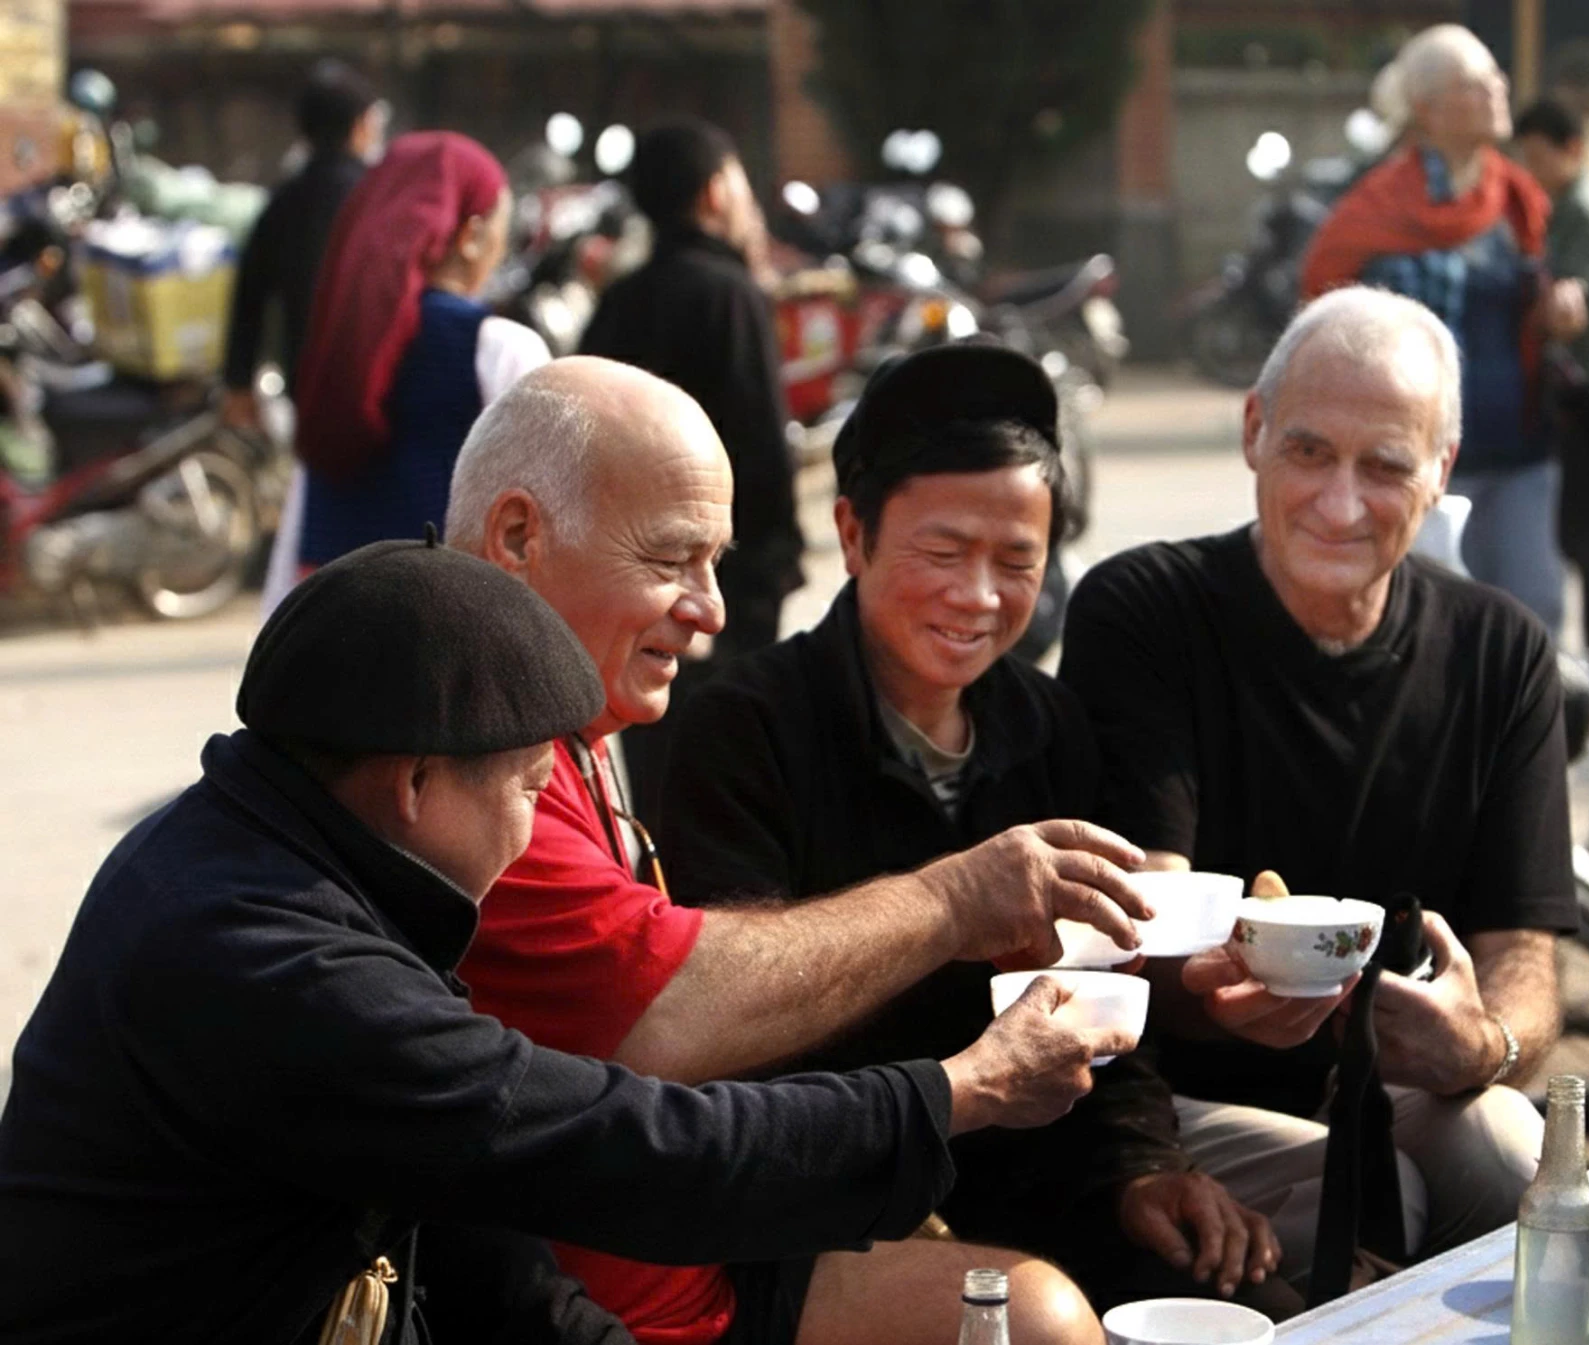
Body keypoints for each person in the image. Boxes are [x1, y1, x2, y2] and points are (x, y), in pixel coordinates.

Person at [0, 536, 1125, 1342]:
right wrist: (962, 1088)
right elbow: (620, 1144)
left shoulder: (288, 852)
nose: (541, 824)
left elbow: (462, 1195)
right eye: (533, 786)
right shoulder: (270, 957)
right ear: (416, 782)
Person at [446, 356, 1157, 1345]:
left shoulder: (580, 710)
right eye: (669, 560)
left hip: (736, 1224)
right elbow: (671, 1010)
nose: (711, 610)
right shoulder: (467, 758)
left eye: (715, 563)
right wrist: (954, 914)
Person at [655, 342, 1297, 1319]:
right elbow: (730, 1035)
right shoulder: (740, 730)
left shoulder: (1051, 728)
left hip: (1044, 1176)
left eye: (1017, 563)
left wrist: (1144, 1168)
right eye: (942, 554)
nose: (980, 597)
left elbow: (1105, 989)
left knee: (1260, 1296)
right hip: (828, 1197)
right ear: (854, 534)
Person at [1059, 287, 1572, 1284]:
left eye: (1384, 467)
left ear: (1440, 474)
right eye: (1308, 452)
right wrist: (1218, 1001)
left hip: (1394, 1086)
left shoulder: (1500, 650)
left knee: (1516, 1153)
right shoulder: (1148, 612)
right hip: (1179, 1099)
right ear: (1254, 431)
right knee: (1386, 1197)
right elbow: (1141, 918)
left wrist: (1481, 1040)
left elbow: (1527, 958)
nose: (1340, 504)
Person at [1300, 24, 1587, 637]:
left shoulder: (1518, 199)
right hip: (1410, 463)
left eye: (1495, 77)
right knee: (1424, 630)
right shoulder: (1376, 206)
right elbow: (1323, 313)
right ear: (1427, 109)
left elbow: (1534, 309)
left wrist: (1558, 311)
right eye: (1475, 82)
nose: (1497, 89)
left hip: (1518, 446)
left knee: (1536, 615)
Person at [578, 118, 801, 828]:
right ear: (714, 192)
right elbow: (762, 454)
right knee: (729, 800)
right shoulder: (729, 293)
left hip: (627, 589)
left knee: (657, 791)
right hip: (718, 597)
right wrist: (768, 576)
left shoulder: (622, 297)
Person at [289, 131, 549, 576]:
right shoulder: (497, 347)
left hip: (331, 624)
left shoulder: (340, 341)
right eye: (502, 232)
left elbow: (299, 531)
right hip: (452, 620)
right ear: (471, 236)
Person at [1513, 95, 1589, 652]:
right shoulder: (1568, 201)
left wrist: (1560, 308)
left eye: (1540, 156)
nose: (1531, 170)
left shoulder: (1587, 205)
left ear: (1573, 150)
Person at [221, 60, 382, 432]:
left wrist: (238, 382)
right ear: (360, 127)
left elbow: (249, 294)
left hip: (306, 385)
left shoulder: (283, 202)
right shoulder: (379, 199)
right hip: (379, 385)